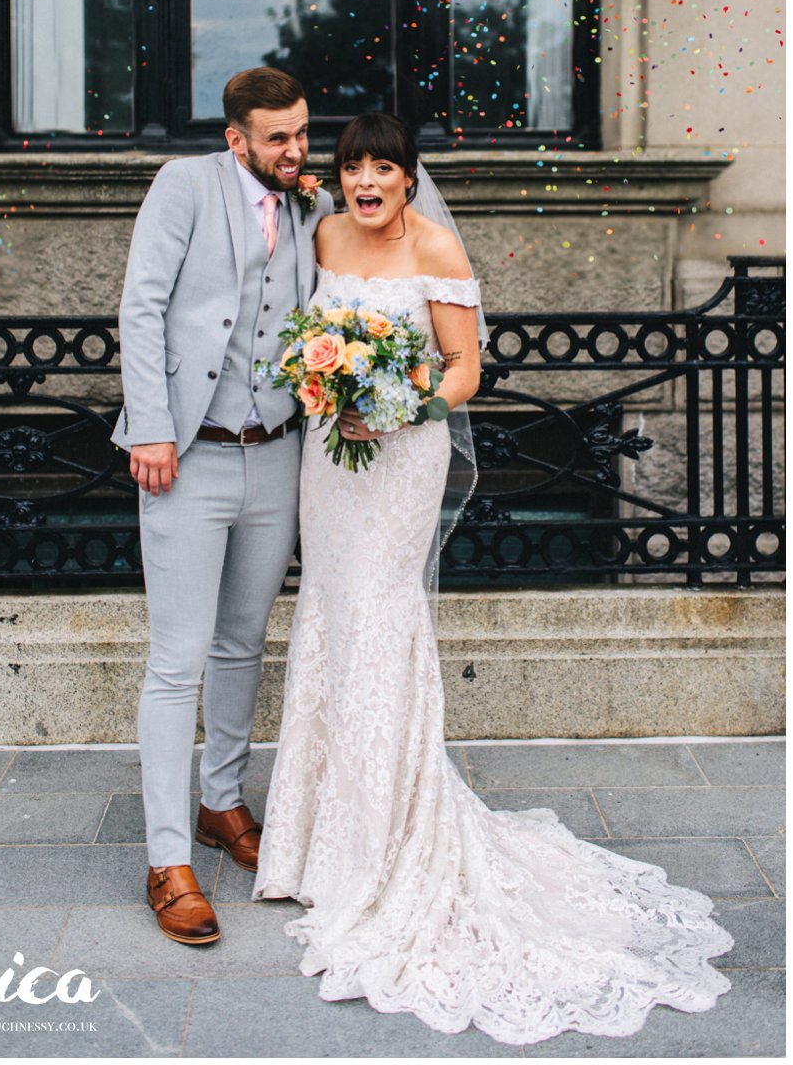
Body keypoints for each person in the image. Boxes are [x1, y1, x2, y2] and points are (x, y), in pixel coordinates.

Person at [254, 111, 733, 1043]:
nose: (366, 182)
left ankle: (387, 843)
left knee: (383, 613)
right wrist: (330, 389)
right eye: (354, 167)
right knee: (329, 614)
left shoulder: (435, 245)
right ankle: (314, 843)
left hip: (398, 457)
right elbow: (311, 324)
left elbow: (468, 369)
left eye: (383, 168)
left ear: (408, 177)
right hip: (329, 456)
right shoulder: (322, 232)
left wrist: (394, 403)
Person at [113, 66, 333, 944]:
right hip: (187, 456)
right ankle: (168, 859)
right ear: (237, 137)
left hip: (276, 453)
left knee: (245, 640)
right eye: (277, 138)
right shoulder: (185, 185)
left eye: (302, 134)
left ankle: (221, 803)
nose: (295, 150)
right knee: (177, 659)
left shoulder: (314, 205)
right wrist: (152, 430)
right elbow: (142, 306)